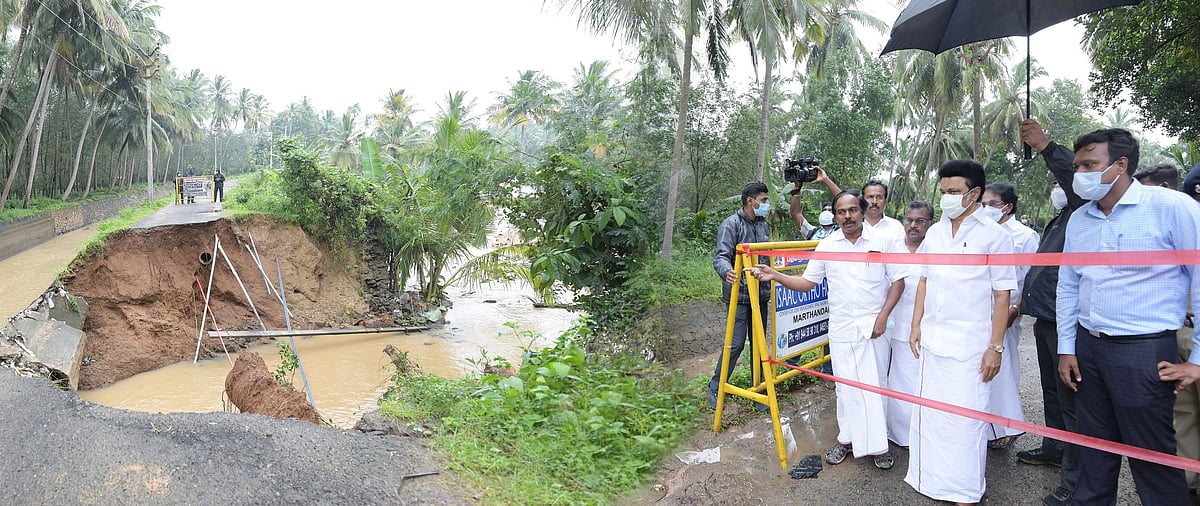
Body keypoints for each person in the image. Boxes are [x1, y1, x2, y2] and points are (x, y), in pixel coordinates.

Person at [1057, 128, 1200, 505]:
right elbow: (1069, 286)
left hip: (1145, 352)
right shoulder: (1080, 220)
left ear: (1121, 165)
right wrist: (1066, 348)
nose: (1080, 174)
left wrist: (1198, 360)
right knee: (1094, 455)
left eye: (1090, 165)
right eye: (1077, 166)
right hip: (1089, 350)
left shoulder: (1171, 207)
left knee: (1153, 459)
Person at [748, 189, 906, 470]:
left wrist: (882, 318)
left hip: (876, 328)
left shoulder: (883, 240)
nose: (847, 216)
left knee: (875, 386)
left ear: (862, 210)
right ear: (835, 216)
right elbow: (808, 283)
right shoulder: (828, 245)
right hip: (842, 328)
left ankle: (879, 446)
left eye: (852, 210)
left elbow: (897, 283)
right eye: (841, 212)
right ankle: (846, 440)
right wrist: (775, 275)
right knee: (845, 389)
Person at [905, 160, 1016, 506]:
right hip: (934, 343)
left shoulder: (994, 236)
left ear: (975, 194)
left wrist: (995, 347)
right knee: (933, 416)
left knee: (966, 422)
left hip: (971, 347)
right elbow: (924, 279)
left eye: (954, 192)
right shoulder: (935, 233)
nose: (946, 199)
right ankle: (932, 481)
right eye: (943, 192)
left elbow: (1003, 295)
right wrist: (915, 325)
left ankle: (966, 492)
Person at [1016, 119, 1087, 506]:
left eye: (1063, 183)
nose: (1058, 189)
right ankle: (1055, 448)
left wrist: (1045, 146)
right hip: (1047, 318)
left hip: (1067, 324)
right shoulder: (1060, 218)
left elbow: (1074, 180)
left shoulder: (1084, 208)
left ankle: (1077, 482)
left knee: (1073, 401)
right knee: (1051, 393)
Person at [979, 182, 1040, 451]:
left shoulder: (1024, 236)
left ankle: (1008, 426)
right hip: (981, 309)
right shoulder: (982, 231)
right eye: (983, 204)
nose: (986, 209)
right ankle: (987, 423)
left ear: (1008, 207)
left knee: (1004, 368)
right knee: (982, 368)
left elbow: (1028, 276)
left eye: (992, 204)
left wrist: (1016, 309)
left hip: (1008, 310)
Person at [709, 182, 773, 410]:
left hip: (761, 295)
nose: (766, 205)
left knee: (758, 344)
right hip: (740, 295)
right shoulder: (731, 224)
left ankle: (757, 388)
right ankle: (716, 386)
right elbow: (720, 256)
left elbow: (767, 255)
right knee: (735, 344)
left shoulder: (764, 225)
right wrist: (727, 271)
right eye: (764, 200)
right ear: (751, 201)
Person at [884, 200, 934, 448]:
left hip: (925, 328)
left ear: (930, 223)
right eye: (909, 220)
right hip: (891, 327)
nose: (913, 225)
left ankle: (917, 436)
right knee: (893, 381)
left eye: (920, 221)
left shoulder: (936, 249)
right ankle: (897, 434)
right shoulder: (891, 247)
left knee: (919, 383)